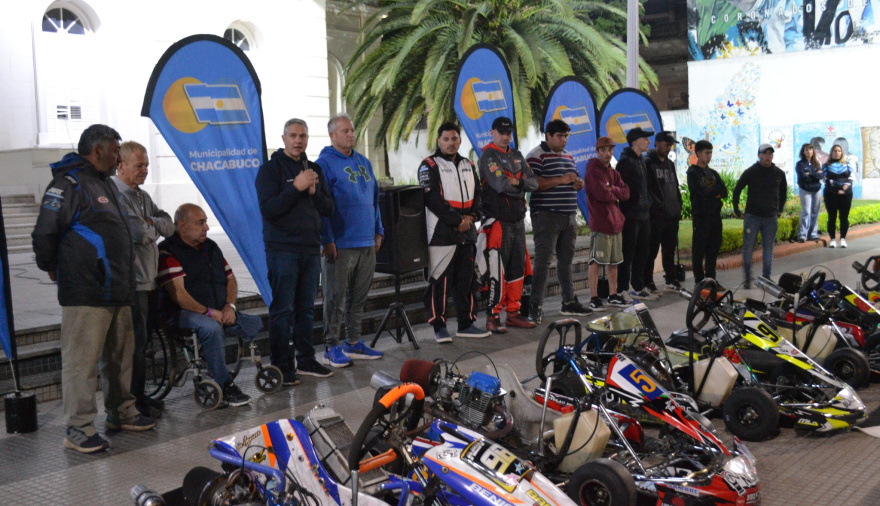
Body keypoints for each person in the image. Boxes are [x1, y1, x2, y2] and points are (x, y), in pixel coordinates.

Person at [32, 124, 156, 454]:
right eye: (115, 152)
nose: (118, 158)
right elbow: (44, 232)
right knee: (81, 364)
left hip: (118, 289)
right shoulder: (68, 184)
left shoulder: (104, 184)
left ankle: (121, 412)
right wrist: (52, 266)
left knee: (119, 359)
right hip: (86, 291)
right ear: (98, 150)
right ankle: (78, 427)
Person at [256, 118, 335, 385]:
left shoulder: (314, 169)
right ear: (283, 139)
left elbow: (328, 208)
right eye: (293, 135)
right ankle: (281, 366)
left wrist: (313, 192)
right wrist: (295, 188)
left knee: (306, 309)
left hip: (310, 249)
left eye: (302, 136)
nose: (298, 140)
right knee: (282, 310)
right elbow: (269, 209)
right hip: (282, 250)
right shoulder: (270, 170)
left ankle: (306, 360)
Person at [157, 204, 261, 407]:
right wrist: (208, 312)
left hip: (217, 308)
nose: (206, 227)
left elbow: (230, 279)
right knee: (211, 328)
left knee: (254, 323)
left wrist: (229, 306)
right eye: (200, 223)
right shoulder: (168, 252)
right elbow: (180, 296)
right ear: (182, 226)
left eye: (205, 222)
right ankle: (224, 384)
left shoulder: (211, 247)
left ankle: (213, 356)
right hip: (182, 312)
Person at [112, 141, 174, 419]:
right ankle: (132, 402)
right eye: (139, 165)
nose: (145, 170)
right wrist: (149, 224)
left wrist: (150, 222)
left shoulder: (142, 196)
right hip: (133, 283)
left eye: (147, 165)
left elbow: (168, 225)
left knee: (143, 343)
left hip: (149, 280)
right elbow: (137, 232)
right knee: (133, 347)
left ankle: (140, 396)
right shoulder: (117, 194)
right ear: (121, 166)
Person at [317, 113, 385, 367]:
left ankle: (353, 341)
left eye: (352, 130)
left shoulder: (363, 162)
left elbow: (374, 198)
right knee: (335, 298)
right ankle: (331, 346)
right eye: (344, 131)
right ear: (332, 135)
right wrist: (327, 239)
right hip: (341, 243)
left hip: (366, 241)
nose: (351, 135)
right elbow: (321, 205)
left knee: (359, 296)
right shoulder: (324, 164)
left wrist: (378, 230)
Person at [418, 122, 489, 342]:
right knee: (439, 281)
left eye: (454, 139)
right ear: (439, 141)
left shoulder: (468, 164)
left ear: (460, 140)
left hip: (467, 233)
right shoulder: (429, 165)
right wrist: (457, 221)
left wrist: (472, 217)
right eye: (446, 139)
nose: (451, 143)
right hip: (441, 234)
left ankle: (466, 324)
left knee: (466, 281)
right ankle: (439, 326)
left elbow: (479, 195)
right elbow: (432, 198)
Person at [525, 119, 591, 324]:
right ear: (548, 135)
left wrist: (578, 183)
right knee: (543, 263)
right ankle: (535, 306)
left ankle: (568, 301)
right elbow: (533, 184)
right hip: (546, 215)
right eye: (560, 136)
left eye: (566, 137)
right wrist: (561, 180)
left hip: (568, 216)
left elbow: (575, 179)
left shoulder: (568, 156)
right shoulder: (536, 156)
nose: (564, 140)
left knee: (566, 261)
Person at [478, 116, 539, 333]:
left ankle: (513, 313)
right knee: (498, 270)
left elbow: (534, 183)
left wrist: (519, 182)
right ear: (492, 133)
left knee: (517, 268)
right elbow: (501, 185)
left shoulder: (516, 155)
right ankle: (493, 316)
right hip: (498, 222)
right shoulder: (488, 155)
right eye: (501, 133)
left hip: (517, 221)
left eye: (508, 133)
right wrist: (521, 186)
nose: (506, 137)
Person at [585, 136, 630, 311]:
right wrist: (613, 192)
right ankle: (594, 298)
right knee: (595, 261)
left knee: (614, 262)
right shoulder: (593, 170)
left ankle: (613, 295)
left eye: (610, 150)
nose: (607, 153)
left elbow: (626, 193)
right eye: (603, 150)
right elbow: (601, 194)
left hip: (615, 223)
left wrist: (613, 189)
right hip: (600, 223)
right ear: (597, 152)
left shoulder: (613, 172)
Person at [733, 143, 787, 287]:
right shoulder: (751, 171)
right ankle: (747, 278)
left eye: (770, 154)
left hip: (771, 218)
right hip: (752, 217)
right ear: (759, 155)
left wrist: (780, 209)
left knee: (768, 249)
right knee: (748, 248)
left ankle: (766, 277)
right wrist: (736, 209)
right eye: (765, 153)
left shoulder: (778, 173)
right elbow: (737, 189)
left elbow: (783, 191)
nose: (768, 156)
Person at [616, 127, 657, 301]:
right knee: (627, 252)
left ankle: (638, 286)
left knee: (643, 251)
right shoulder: (625, 161)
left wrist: (649, 203)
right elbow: (620, 188)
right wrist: (631, 205)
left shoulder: (642, 160)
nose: (649, 142)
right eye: (645, 139)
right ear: (635, 141)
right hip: (630, 214)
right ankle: (622, 288)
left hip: (644, 213)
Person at [644, 131, 684, 292]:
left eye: (670, 146)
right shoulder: (648, 163)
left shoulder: (669, 164)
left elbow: (675, 186)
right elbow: (647, 189)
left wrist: (678, 205)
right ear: (657, 143)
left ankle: (671, 278)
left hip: (672, 213)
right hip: (656, 215)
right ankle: (648, 281)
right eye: (667, 145)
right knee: (652, 249)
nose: (669, 148)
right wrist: (657, 205)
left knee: (670, 249)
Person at [687, 140, 727, 285]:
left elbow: (724, 191)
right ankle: (699, 281)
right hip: (701, 216)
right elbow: (702, 191)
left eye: (710, 153)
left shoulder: (713, 173)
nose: (709, 156)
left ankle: (711, 279)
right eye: (706, 153)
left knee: (713, 249)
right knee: (699, 250)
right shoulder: (693, 173)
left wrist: (713, 192)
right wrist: (715, 192)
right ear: (698, 153)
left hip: (715, 216)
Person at [824, 143, 855, 248]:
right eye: (835, 151)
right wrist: (838, 189)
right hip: (831, 195)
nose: (837, 153)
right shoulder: (826, 166)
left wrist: (844, 188)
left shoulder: (847, 164)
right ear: (831, 153)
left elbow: (852, 177)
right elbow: (826, 179)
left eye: (839, 151)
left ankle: (843, 239)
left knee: (844, 217)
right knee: (832, 217)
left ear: (841, 153)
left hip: (846, 195)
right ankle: (832, 239)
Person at [795, 143, 824, 243]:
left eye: (810, 149)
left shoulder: (817, 163)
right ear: (803, 152)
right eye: (806, 150)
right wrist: (815, 175)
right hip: (805, 190)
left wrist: (810, 174)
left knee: (815, 211)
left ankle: (812, 234)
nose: (809, 152)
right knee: (806, 211)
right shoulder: (800, 164)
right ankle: (802, 235)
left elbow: (821, 176)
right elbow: (803, 177)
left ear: (813, 151)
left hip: (816, 190)